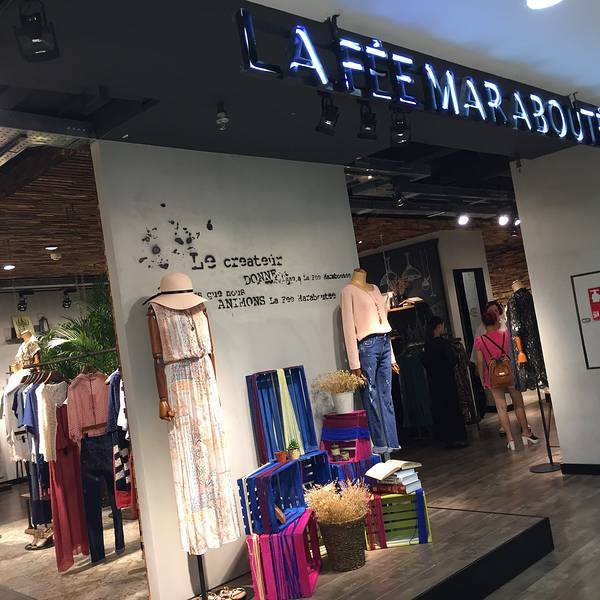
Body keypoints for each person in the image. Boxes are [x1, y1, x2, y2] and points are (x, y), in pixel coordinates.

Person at [474, 309, 539, 451]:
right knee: (518, 404)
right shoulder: (506, 335)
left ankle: (510, 439)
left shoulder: (480, 341)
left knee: (501, 408)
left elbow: (480, 362)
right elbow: (514, 353)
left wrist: (482, 379)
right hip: (510, 373)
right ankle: (526, 432)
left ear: (484, 324)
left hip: (493, 376)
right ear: (497, 321)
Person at [422, 316, 468, 449]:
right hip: (448, 380)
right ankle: (458, 437)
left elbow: (425, 362)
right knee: (453, 407)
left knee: (441, 409)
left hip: (435, 383)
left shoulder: (427, 345)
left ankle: (447, 438)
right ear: (439, 326)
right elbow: (453, 360)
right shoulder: (444, 343)